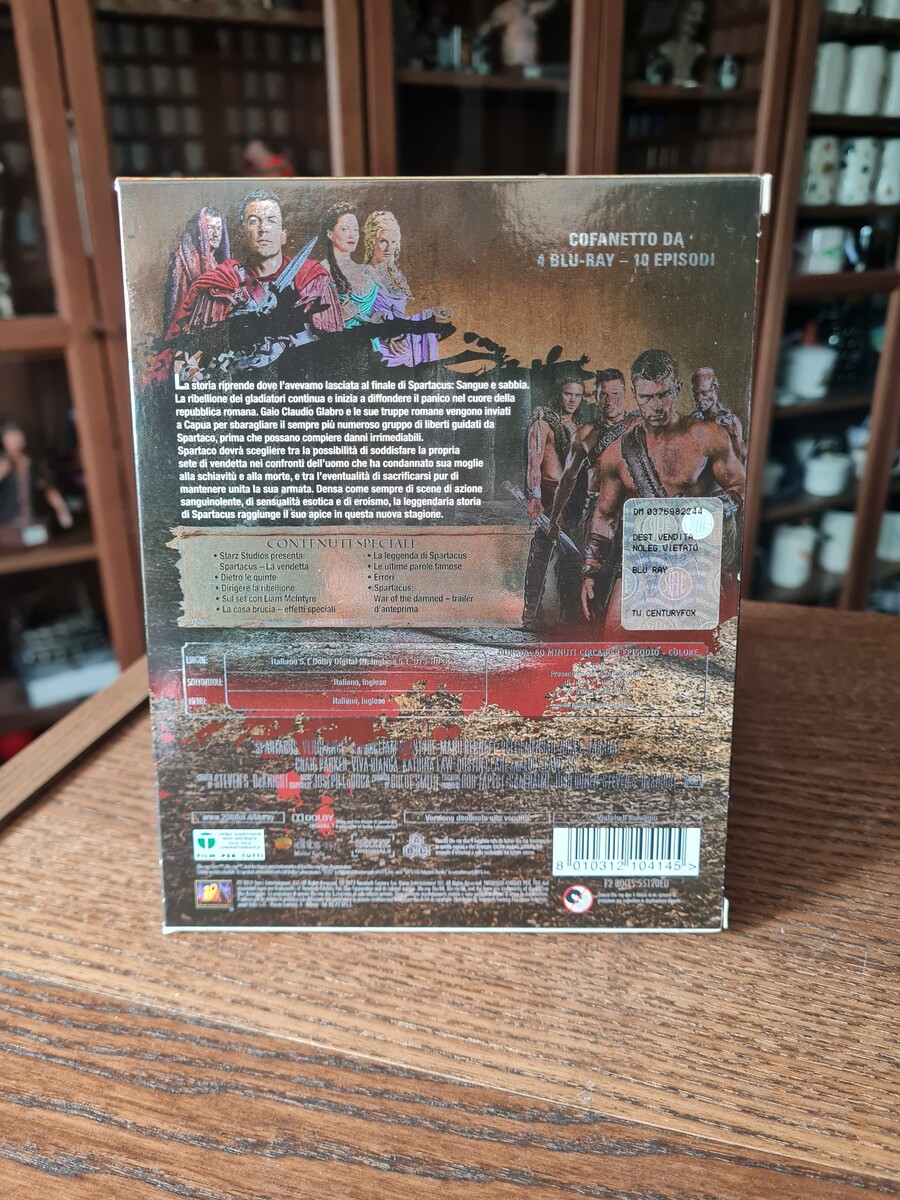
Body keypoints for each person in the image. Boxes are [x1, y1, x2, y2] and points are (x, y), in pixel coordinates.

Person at [580, 349, 745, 631]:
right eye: (646, 397)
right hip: (642, 561)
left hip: (695, 559)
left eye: (664, 394)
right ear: (634, 394)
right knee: (615, 635)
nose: (656, 406)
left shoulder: (707, 436)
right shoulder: (618, 452)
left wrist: (710, 511)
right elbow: (606, 514)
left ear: (678, 388)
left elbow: (741, 486)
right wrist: (590, 570)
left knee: (701, 644)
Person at [152, 189, 342, 380]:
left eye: (271, 220)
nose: (263, 229)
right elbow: (192, 361)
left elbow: (334, 356)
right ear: (242, 235)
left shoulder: (314, 281)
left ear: (283, 235)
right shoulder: (219, 286)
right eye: (253, 221)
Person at [548, 367, 638, 546]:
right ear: (596, 397)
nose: (610, 401)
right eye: (603, 395)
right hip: (595, 511)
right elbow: (567, 479)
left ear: (625, 395)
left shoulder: (639, 429)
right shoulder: (584, 434)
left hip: (631, 509)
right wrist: (554, 519)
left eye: (615, 394)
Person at [522, 376, 584, 630]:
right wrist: (535, 495)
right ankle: (531, 613)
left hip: (575, 496)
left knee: (572, 554)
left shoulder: (580, 427)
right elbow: (534, 462)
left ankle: (567, 614)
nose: (572, 400)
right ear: (559, 394)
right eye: (568, 394)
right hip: (549, 492)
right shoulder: (543, 422)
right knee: (542, 550)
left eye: (578, 395)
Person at [362, 210, 452, 367]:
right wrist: (386, 334)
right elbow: (356, 316)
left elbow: (401, 317)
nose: (388, 248)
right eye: (383, 241)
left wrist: (431, 312)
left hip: (402, 336)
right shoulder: (361, 275)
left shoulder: (397, 278)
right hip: (377, 339)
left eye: (393, 242)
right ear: (371, 242)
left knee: (423, 336)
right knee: (397, 355)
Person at [163, 206, 230, 329]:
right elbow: (178, 301)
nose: (216, 234)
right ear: (200, 230)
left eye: (219, 228)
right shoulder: (186, 260)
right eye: (210, 228)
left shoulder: (219, 264)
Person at [0, 423, 72, 536]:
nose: (14, 443)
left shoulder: (36, 464)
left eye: (17, 438)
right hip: (9, 523)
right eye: (10, 440)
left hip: (36, 520)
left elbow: (49, 489)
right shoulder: (3, 465)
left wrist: (62, 510)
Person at [318, 202, 382, 329]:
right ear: (330, 234)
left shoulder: (365, 270)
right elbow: (308, 323)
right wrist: (339, 316)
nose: (352, 235)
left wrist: (379, 322)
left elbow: (373, 311)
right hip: (340, 340)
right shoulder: (320, 272)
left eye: (356, 230)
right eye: (345, 229)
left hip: (370, 339)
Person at [690, 367, 746, 460]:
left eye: (704, 393)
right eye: (695, 393)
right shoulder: (693, 418)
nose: (699, 399)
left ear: (715, 389)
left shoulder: (730, 422)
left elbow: (741, 459)